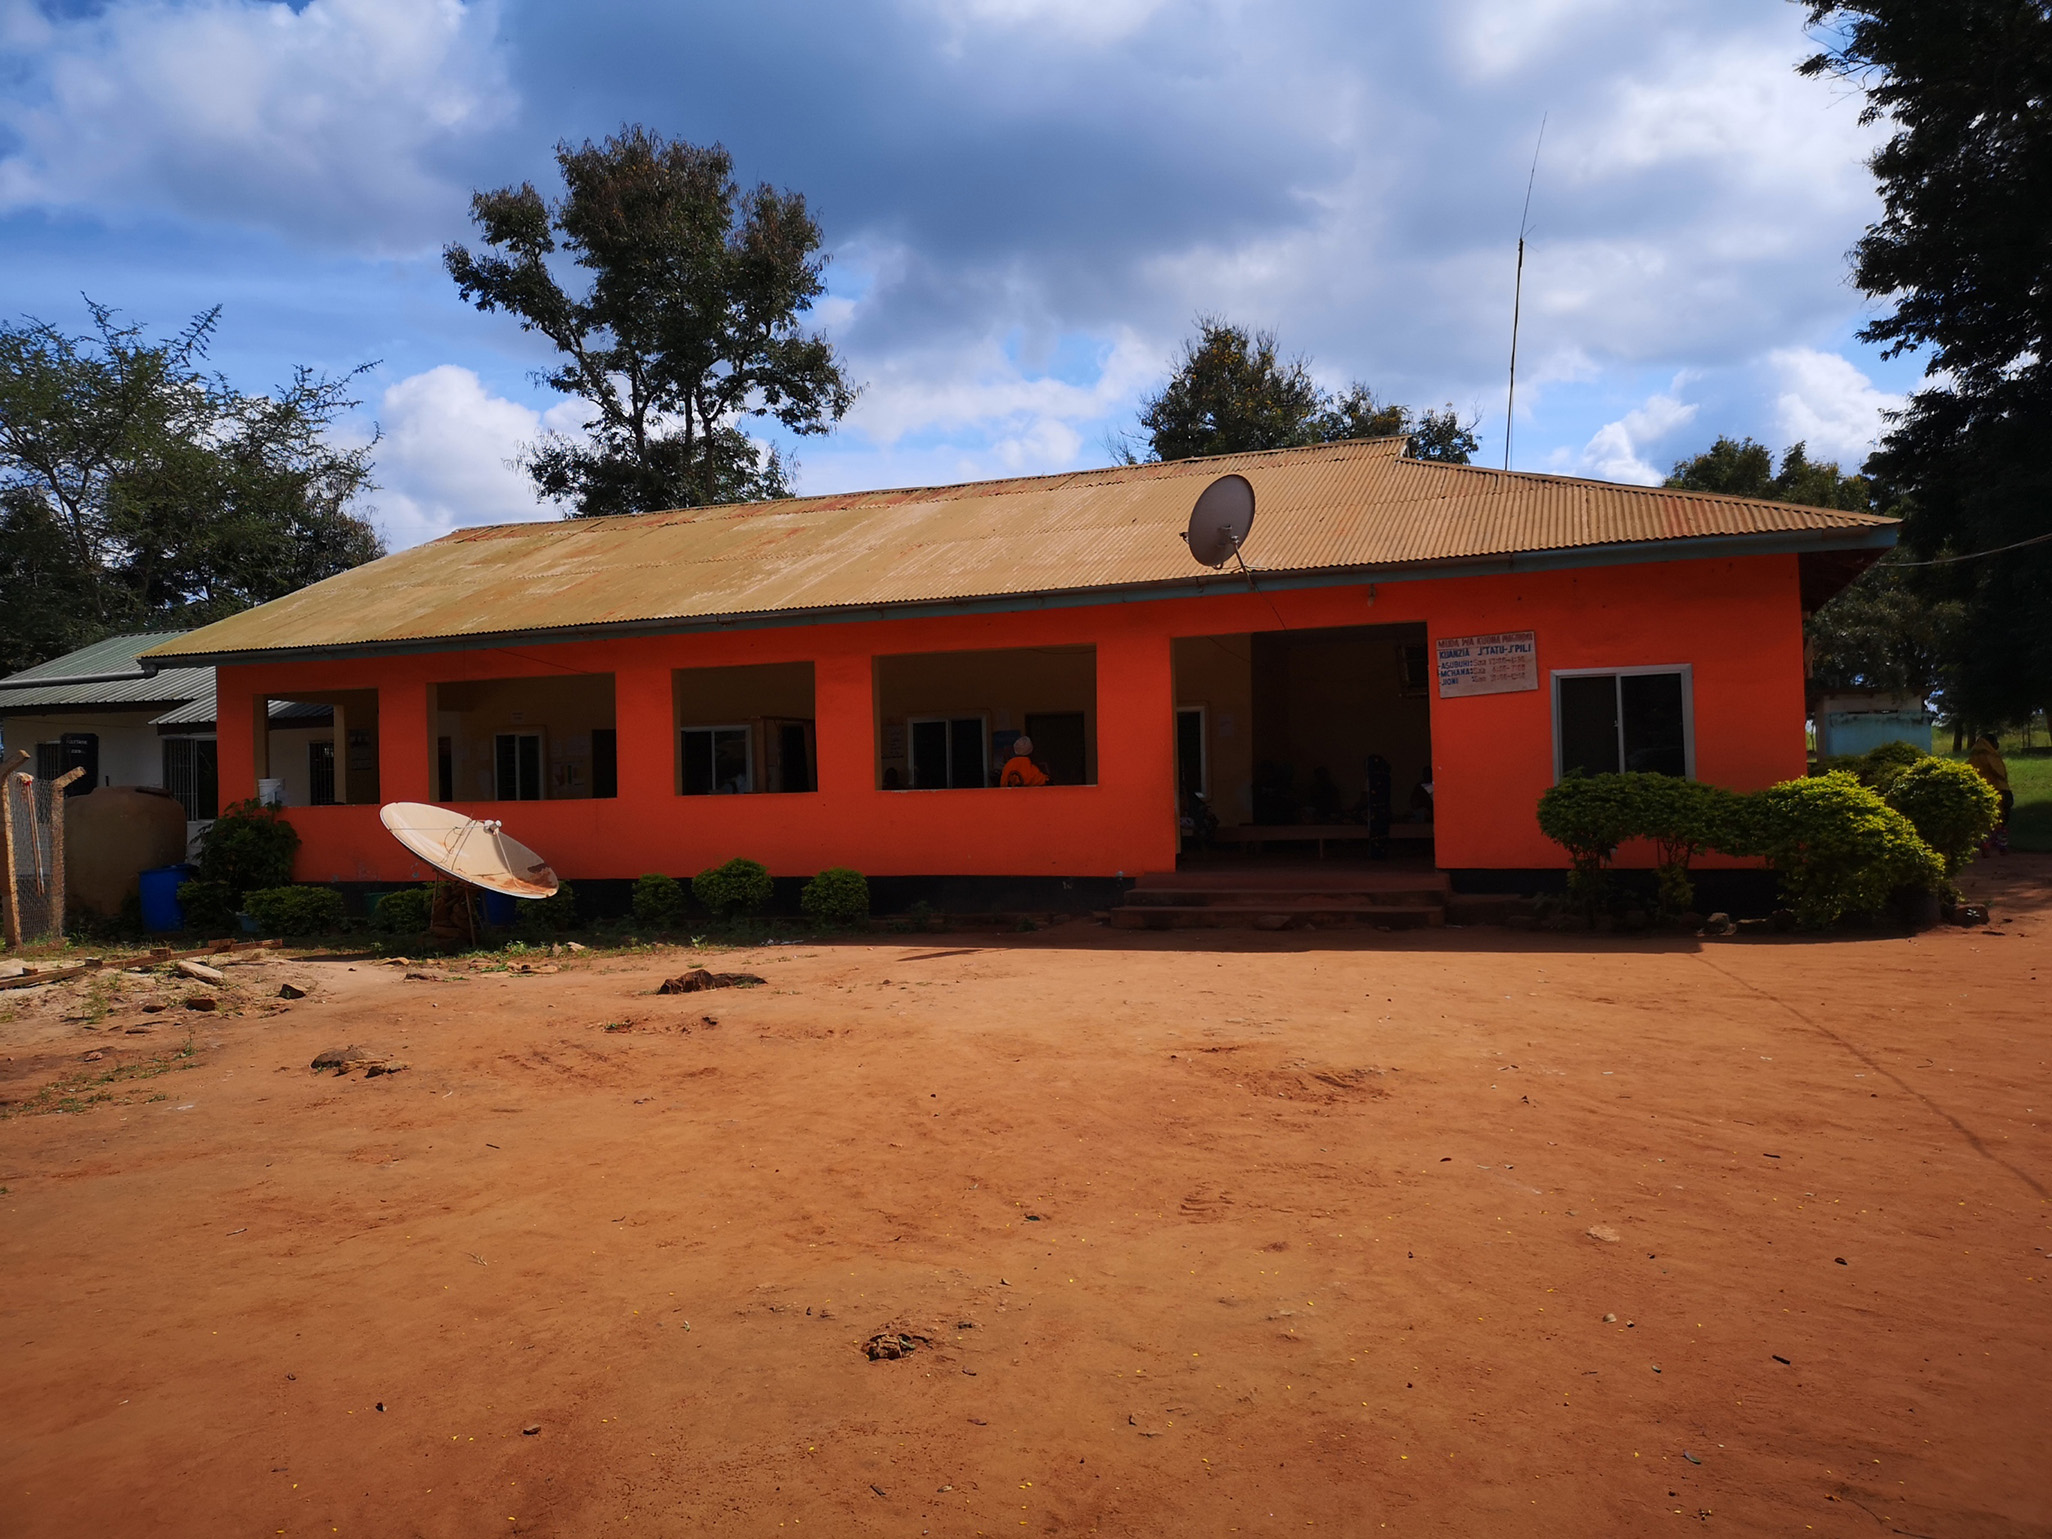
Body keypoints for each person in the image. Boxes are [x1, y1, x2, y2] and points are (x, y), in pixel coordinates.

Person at [1968, 734, 2012, 853]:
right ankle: (2000, 844)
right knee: (2001, 819)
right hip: (1998, 790)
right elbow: (2000, 773)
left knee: (1983, 820)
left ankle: (1984, 843)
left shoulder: (1972, 758)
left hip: (1979, 792)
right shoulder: (1991, 756)